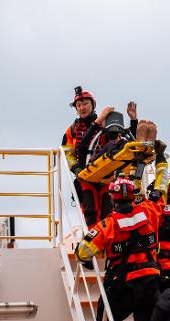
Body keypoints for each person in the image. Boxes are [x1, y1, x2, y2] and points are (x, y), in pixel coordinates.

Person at [74, 142, 168, 321]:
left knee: (105, 318)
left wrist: (87, 262)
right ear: (133, 195)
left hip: (122, 283)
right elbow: (161, 186)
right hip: (151, 280)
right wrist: (161, 159)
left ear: (112, 198)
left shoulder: (106, 226)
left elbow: (82, 253)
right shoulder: (150, 211)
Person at [61, 86, 138, 228]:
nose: (82, 107)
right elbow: (69, 153)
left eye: (85, 104)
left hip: (105, 174)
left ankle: (105, 241)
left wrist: (133, 120)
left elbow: (126, 142)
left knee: (107, 211)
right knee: (90, 211)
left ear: (93, 105)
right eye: (79, 105)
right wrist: (76, 169)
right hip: (84, 176)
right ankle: (94, 239)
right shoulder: (71, 131)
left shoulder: (104, 123)